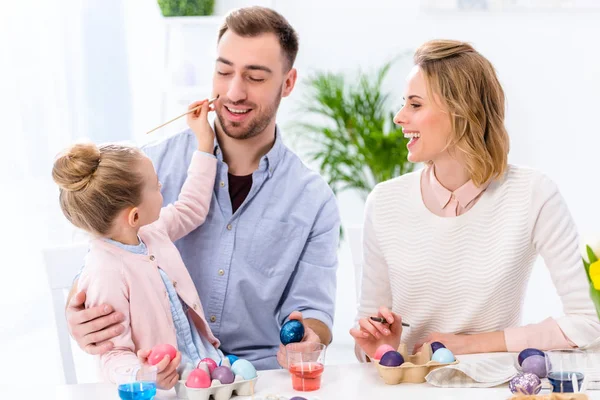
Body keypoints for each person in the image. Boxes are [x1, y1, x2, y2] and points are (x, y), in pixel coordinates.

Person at [64, 6, 340, 371]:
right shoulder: (147, 171)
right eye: (224, 71)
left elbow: (315, 308)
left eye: (255, 77)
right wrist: (80, 309)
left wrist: (309, 334)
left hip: (260, 377)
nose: (234, 92)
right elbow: (107, 252)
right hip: (171, 376)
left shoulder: (313, 199)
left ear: (287, 84)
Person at [350, 39, 600, 361]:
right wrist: (381, 346)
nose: (399, 117)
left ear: (461, 112)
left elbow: (587, 324)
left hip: (495, 387)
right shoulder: (384, 202)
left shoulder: (534, 195)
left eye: (415, 105)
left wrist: (472, 344)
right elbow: (365, 341)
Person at [52, 100, 220, 388]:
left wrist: (204, 143)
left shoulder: (151, 231)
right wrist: (142, 375)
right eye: (156, 186)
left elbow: (191, 207)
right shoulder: (105, 272)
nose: (162, 188)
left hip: (208, 368)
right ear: (134, 215)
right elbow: (112, 353)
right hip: (168, 389)